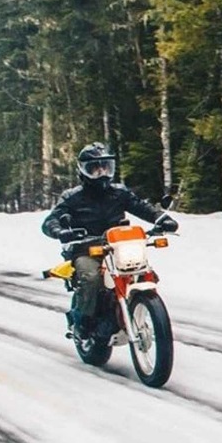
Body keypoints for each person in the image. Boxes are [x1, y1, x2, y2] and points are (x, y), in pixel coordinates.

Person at [41, 142, 178, 338]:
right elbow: (50, 221)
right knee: (91, 278)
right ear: (83, 170)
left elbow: (141, 207)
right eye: (95, 169)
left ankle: (141, 307)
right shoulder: (72, 197)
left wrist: (162, 219)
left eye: (106, 167)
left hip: (119, 247)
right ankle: (83, 322)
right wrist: (60, 231)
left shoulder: (119, 192)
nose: (102, 173)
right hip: (86, 248)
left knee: (146, 272)